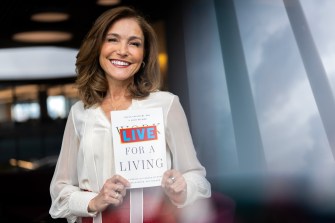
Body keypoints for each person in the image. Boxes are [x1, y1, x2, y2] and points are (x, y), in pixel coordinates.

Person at [49, 5, 211, 223]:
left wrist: (182, 188)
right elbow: (60, 191)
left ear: (143, 55)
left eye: (134, 43)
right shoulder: (80, 113)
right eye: (113, 39)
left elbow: (197, 178)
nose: (123, 50)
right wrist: (94, 201)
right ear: (98, 47)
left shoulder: (166, 104)